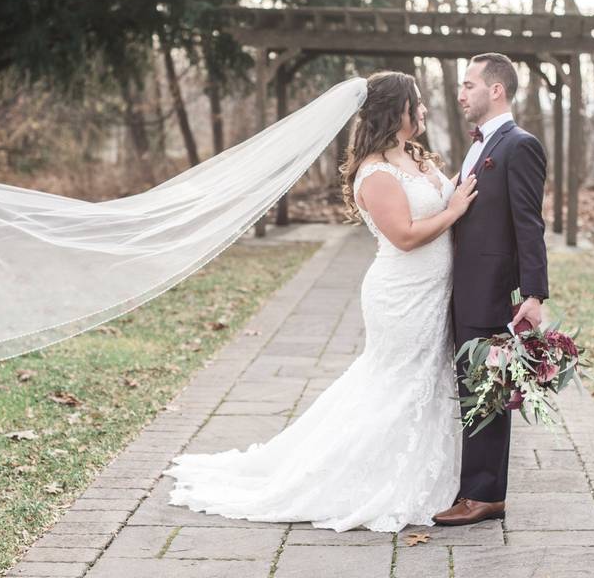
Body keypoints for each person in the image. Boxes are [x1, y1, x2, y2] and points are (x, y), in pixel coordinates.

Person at [162, 70, 478, 532]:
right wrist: (454, 211)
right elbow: (406, 236)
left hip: (433, 292)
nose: (425, 109)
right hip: (401, 294)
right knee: (398, 383)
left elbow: (440, 197)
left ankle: (415, 467)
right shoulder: (375, 172)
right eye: (418, 102)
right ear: (397, 111)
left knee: (424, 379)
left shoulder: (416, 158)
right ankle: (362, 477)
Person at [432, 52, 549, 526]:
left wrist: (534, 295)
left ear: (495, 90)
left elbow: (529, 223)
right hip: (465, 286)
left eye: (469, 85)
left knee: (487, 388)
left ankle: (486, 496)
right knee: (471, 386)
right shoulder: (479, 142)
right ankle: (471, 488)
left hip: (492, 289)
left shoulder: (520, 145)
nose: (461, 94)